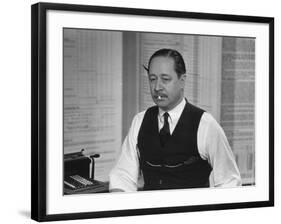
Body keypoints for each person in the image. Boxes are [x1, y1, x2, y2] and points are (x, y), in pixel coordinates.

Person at [109, 48, 241, 192]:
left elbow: (229, 183)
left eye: (165, 79)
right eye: (152, 79)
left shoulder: (206, 124)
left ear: (182, 80)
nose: (157, 87)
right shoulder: (140, 121)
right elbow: (122, 176)